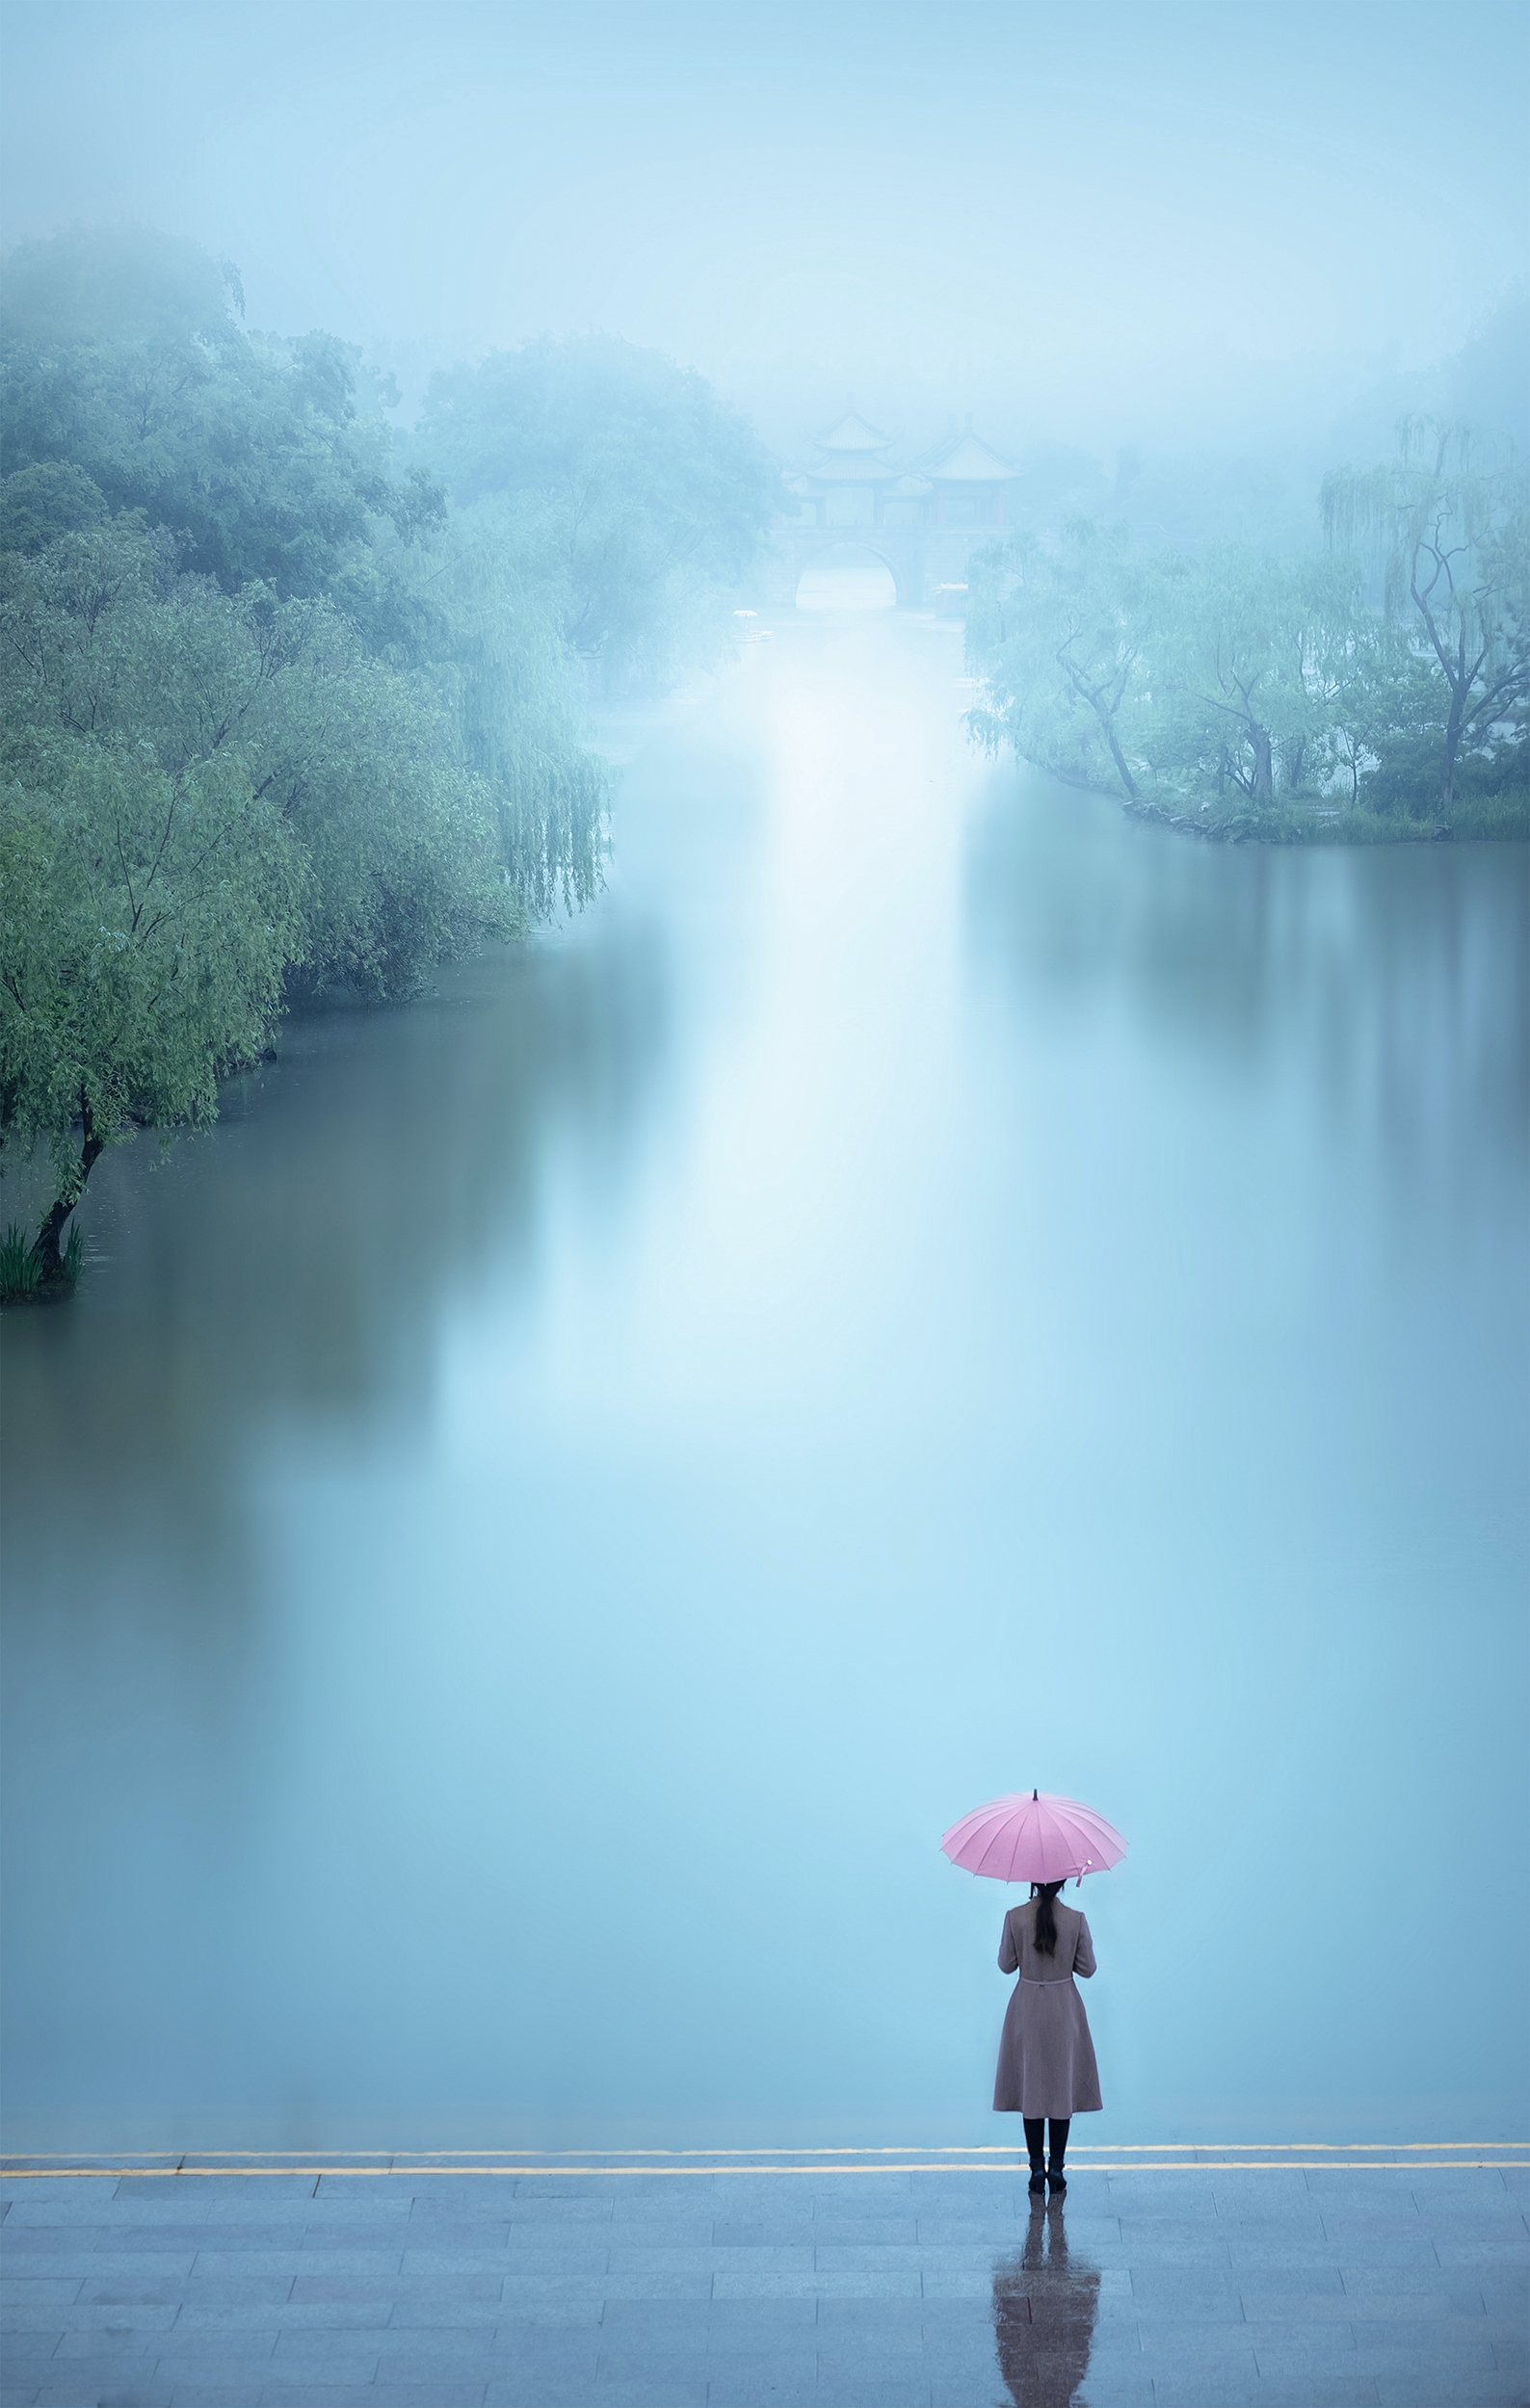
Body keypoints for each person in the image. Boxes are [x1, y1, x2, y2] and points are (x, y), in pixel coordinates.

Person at [992, 1877, 1102, 2195]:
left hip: (1026, 2007)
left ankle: (1036, 2168)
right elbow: (1087, 1969)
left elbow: (1005, 1965)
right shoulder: (1076, 1919)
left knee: (1032, 2090)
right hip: (1063, 2007)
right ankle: (1057, 2167)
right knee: (1060, 2091)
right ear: (1063, 1881)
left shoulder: (1014, 1917)